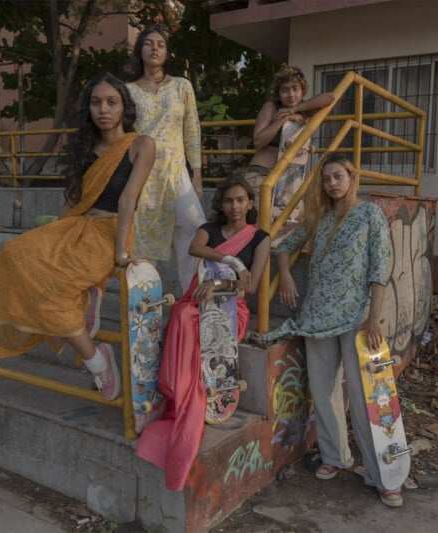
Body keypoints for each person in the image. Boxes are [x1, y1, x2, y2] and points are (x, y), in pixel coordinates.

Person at [0, 72, 155, 401]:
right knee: (16, 251)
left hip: (108, 234)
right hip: (76, 225)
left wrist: (121, 255)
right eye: (96, 102)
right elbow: (74, 199)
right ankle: (86, 302)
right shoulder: (86, 147)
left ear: (124, 107)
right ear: (88, 109)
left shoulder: (141, 145)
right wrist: (50, 238)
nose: (103, 109)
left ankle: (97, 362)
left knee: (54, 295)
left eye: (112, 102)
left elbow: (127, 200)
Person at [264, 152, 403, 508]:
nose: (332, 183)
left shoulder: (369, 214)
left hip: (356, 318)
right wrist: (286, 275)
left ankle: (382, 475)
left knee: (363, 398)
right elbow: (284, 246)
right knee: (323, 392)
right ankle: (335, 456)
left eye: (338, 176)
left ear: (352, 177)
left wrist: (374, 318)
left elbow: (379, 266)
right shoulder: (320, 218)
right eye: (326, 178)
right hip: (316, 318)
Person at [136, 175, 271, 491]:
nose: (235, 206)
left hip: (229, 309)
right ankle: (180, 392)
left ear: (250, 204)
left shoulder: (260, 237)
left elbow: (248, 285)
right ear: (220, 204)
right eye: (228, 200)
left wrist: (221, 284)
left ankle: (186, 398)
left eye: (241, 200)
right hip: (199, 300)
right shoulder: (209, 231)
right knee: (182, 313)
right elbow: (196, 248)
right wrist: (231, 260)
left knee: (190, 318)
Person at [125, 25, 206, 291]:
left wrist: (196, 174)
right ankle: (147, 319)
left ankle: (192, 303)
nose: (155, 47)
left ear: (167, 52)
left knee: (194, 226)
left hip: (176, 172)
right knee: (142, 242)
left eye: (160, 43)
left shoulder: (182, 86)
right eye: (148, 43)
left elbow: (192, 130)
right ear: (140, 50)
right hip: (141, 175)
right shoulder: (127, 90)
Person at [244, 64, 335, 222]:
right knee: (264, 227)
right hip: (262, 176)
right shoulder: (271, 107)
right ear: (278, 94)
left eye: (295, 88)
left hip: (289, 180)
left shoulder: (305, 110)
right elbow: (258, 140)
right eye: (285, 90)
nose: (291, 94)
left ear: (302, 91)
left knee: (289, 227)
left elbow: (330, 98)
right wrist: (283, 119)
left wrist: (295, 110)